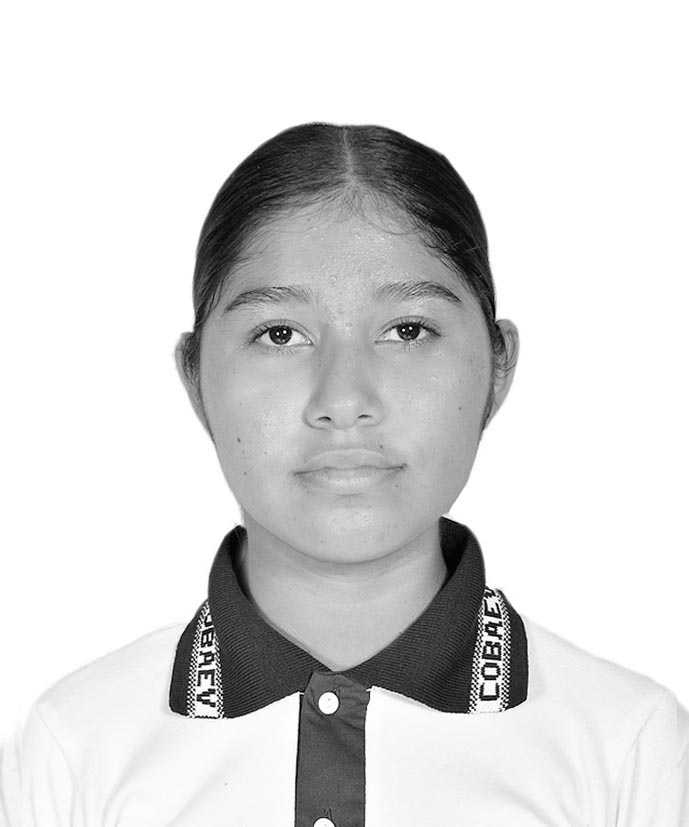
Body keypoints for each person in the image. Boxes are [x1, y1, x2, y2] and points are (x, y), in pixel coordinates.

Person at [1, 123, 686, 826]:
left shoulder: (625, 748)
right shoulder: (74, 749)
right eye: (280, 334)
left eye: (407, 330)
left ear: (498, 366)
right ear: (195, 376)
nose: (344, 400)